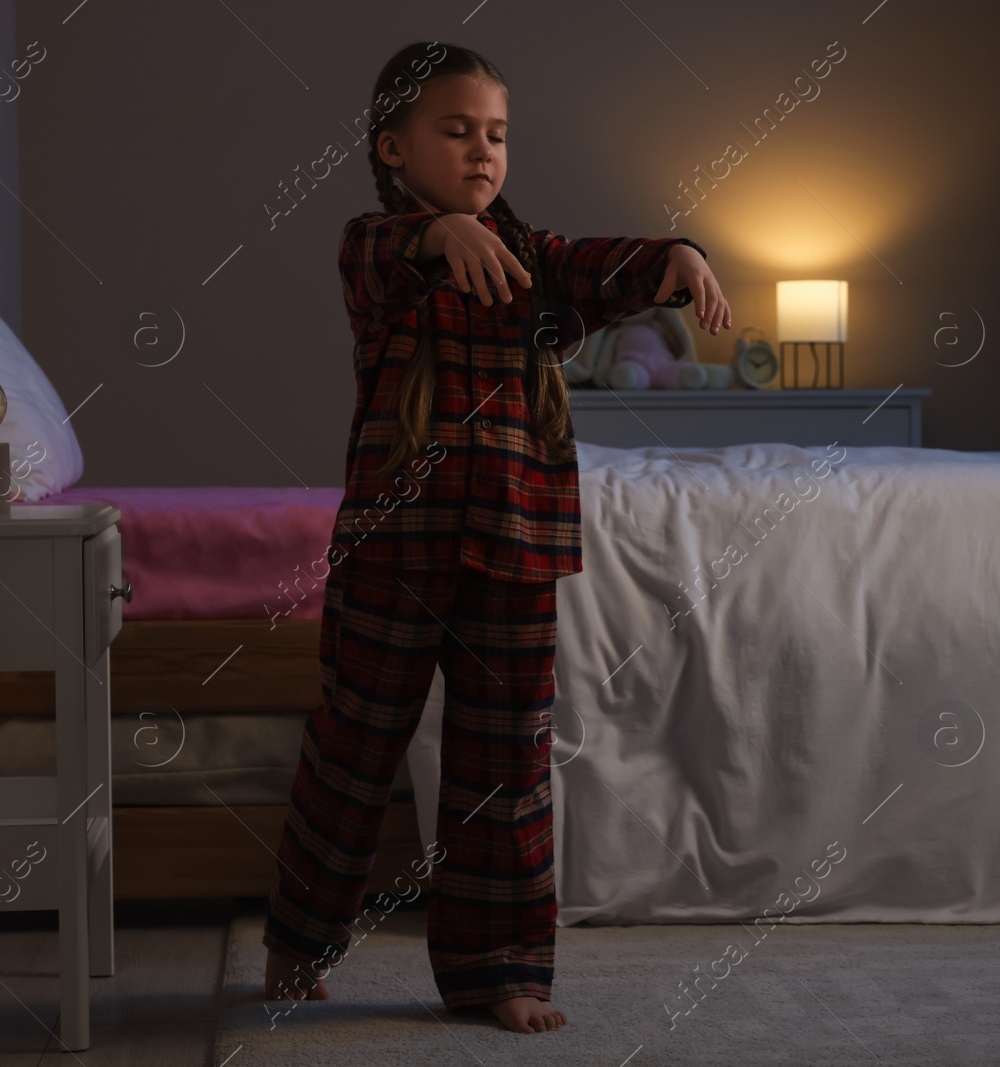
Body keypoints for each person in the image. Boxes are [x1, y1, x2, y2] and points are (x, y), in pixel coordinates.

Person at [260, 39, 731, 1035]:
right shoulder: (376, 248)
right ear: (394, 147)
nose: (482, 151)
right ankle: (299, 938)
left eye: (497, 135)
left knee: (505, 766)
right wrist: (437, 238)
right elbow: (380, 257)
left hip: (514, 546)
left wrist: (674, 257)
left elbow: (594, 266)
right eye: (457, 130)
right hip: (398, 546)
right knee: (354, 746)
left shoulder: (532, 261)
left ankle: (500, 968)